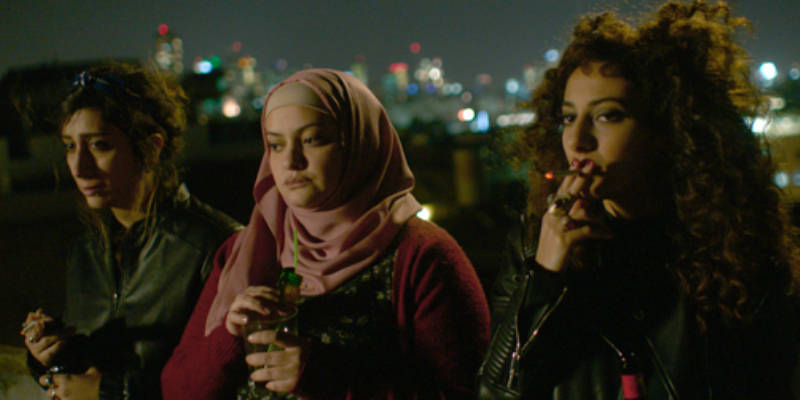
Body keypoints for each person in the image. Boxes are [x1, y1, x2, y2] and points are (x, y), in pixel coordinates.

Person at [477, 1, 800, 398]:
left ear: (666, 128)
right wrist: (545, 277)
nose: (577, 141)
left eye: (607, 115)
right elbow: (497, 393)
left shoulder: (733, 248)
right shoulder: (534, 243)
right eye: (567, 117)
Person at [161, 68, 490, 399]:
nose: (291, 161)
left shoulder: (422, 256)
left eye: (311, 140)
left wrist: (325, 376)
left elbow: (464, 393)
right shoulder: (246, 249)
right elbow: (177, 391)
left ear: (359, 143)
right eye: (275, 145)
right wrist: (230, 335)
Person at [22, 61, 242, 400]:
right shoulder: (87, 251)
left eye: (98, 145)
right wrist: (48, 354)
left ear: (152, 147)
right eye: (69, 146)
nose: (79, 167)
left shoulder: (215, 245)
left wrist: (109, 392)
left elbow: (223, 379)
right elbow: (87, 370)